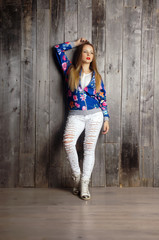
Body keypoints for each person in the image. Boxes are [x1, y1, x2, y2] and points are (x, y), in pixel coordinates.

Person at [54, 38, 110, 200]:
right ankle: (77, 178)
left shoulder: (96, 76)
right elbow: (57, 49)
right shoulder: (69, 71)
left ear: (93, 57)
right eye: (85, 51)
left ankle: (85, 185)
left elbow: (102, 98)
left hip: (95, 115)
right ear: (80, 54)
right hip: (75, 115)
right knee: (68, 142)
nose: (88, 55)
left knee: (88, 148)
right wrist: (75, 43)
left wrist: (106, 118)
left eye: (91, 53)